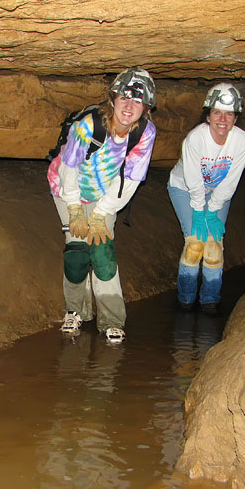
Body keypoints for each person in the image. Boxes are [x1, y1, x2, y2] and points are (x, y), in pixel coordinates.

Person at [47, 67, 157, 343]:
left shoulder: (144, 132)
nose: (129, 106)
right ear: (113, 98)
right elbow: (68, 168)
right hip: (66, 187)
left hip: (104, 193)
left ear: (146, 107)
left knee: (103, 254)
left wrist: (99, 214)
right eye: (124, 98)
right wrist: (74, 208)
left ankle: (111, 320)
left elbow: (131, 179)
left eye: (137, 101)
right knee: (77, 252)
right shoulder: (87, 125)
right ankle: (75, 310)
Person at [167, 83, 245, 314]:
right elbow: (193, 180)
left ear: (236, 118)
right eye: (217, 112)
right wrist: (198, 210)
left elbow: (231, 181)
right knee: (195, 245)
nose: (222, 119)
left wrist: (212, 210)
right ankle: (185, 302)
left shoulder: (243, 142)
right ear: (208, 115)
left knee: (213, 247)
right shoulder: (195, 139)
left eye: (229, 114)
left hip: (216, 193)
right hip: (184, 188)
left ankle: (209, 302)